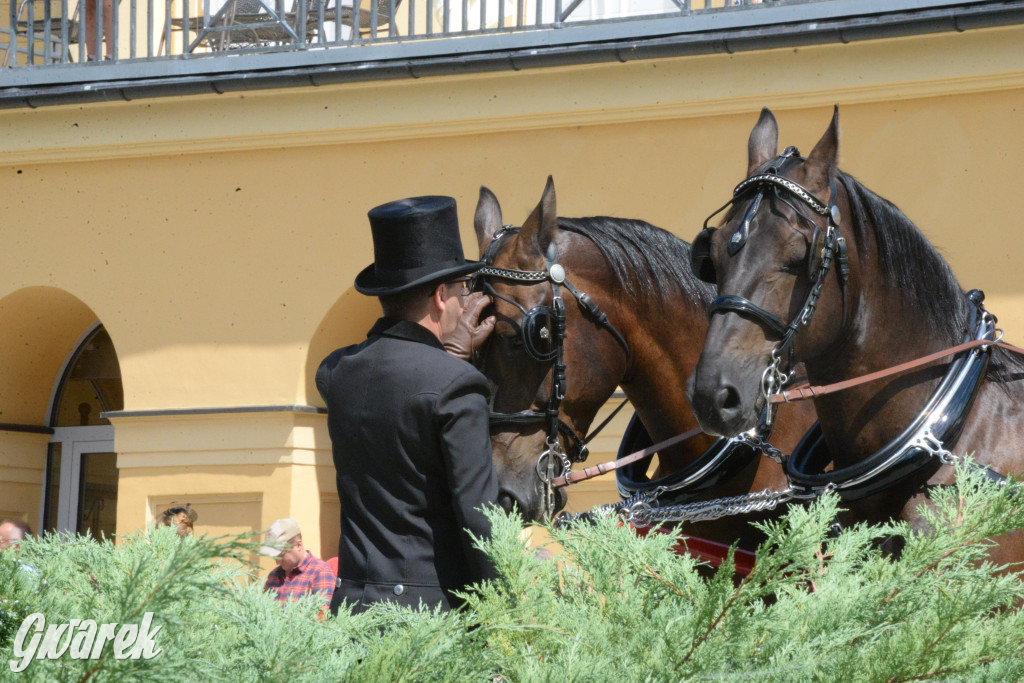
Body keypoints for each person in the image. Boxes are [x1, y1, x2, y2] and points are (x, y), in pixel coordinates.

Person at [316, 195, 498, 615]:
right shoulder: (458, 384)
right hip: (429, 616)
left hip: (353, 610)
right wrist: (503, 606)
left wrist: (445, 360)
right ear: (440, 295)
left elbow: (397, 397)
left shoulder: (334, 372)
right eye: (460, 289)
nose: (463, 301)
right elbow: (479, 517)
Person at [261, 518, 335, 610]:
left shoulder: (320, 572)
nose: (277, 562)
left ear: (298, 545)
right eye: (275, 557)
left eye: (281, 555)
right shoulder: (273, 575)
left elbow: (322, 614)